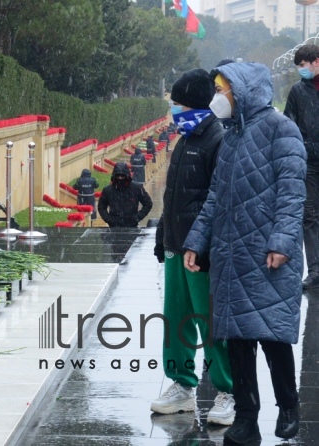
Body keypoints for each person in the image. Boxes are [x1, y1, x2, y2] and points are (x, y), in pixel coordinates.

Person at [183, 62, 306, 444]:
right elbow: (215, 197)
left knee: (271, 335)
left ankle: (288, 405)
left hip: (268, 254)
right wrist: (196, 241)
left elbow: (292, 193)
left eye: (223, 89)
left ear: (244, 90)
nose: (218, 97)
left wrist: (282, 242)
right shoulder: (231, 136)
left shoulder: (281, 130)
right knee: (237, 341)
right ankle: (246, 417)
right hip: (230, 254)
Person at [151, 68, 234, 426]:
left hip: (200, 253)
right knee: (178, 319)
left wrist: (201, 246)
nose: (173, 110)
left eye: (177, 103)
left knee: (209, 321)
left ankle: (228, 390)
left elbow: (219, 201)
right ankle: (182, 385)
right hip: (174, 245)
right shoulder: (185, 139)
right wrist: (162, 235)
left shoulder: (218, 140)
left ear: (195, 105)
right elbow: (174, 197)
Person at [284, 44, 319, 290]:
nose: (301, 70)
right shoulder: (297, 91)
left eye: (303, 65)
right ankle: (315, 269)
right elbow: (289, 125)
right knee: (310, 215)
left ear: (316, 62)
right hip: (309, 162)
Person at [97, 162, 152, 228]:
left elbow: (148, 203)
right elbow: (101, 207)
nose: (120, 178)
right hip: (114, 227)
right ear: (114, 176)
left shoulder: (136, 188)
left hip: (132, 226)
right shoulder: (108, 190)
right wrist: (109, 219)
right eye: (118, 176)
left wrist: (137, 217)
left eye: (122, 176)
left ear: (127, 176)